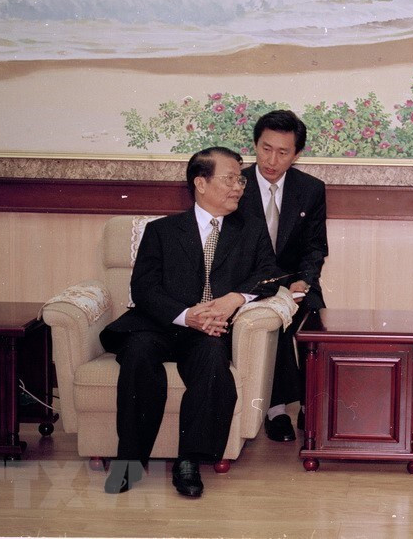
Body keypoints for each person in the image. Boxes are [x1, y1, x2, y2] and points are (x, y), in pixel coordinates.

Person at [99, 146, 279, 497]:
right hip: (161, 325)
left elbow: (270, 275)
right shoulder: (163, 231)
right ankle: (130, 460)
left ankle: (189, 461)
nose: (239, 186)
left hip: (211, 331)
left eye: (241, 179)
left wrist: (233, 299)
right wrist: (188, 316)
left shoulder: (251, 230)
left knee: (213, 360)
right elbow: (145, 288)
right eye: (230, 178)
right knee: (138, 352)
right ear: (200, 182)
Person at [240, 110, 329, 442]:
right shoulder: (237, 186)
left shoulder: (311, 189)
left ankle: (311, 404)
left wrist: (303, 281)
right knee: (271, 320)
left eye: (282, 152)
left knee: (315, 320)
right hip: (252, 282)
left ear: (297, 154)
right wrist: (275, 287)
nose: (271, 160)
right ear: (256, 145)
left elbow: (315, 247)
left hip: (297, 280)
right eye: (265, 149)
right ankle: (275, 410)